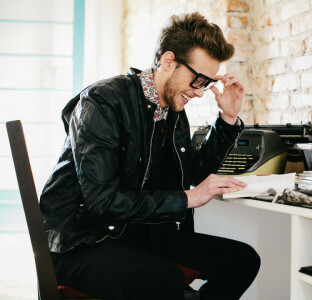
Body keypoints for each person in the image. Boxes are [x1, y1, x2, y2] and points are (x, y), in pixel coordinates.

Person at [40, 12, 260, 300]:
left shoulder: (172, 109)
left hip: (135, 232)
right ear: (169, 61)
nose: (200, 93)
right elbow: (102, 202)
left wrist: (227, 119)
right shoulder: (103, 101)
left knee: (243, 260)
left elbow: (192, 175)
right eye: (198, 80)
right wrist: (188, 198)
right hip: (81, 240)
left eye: (207, 83)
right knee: (163, 279)